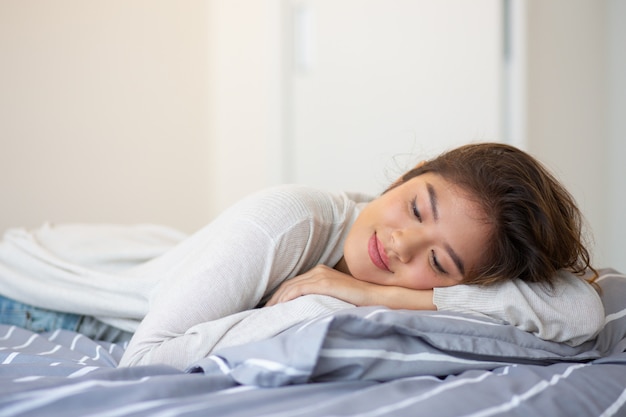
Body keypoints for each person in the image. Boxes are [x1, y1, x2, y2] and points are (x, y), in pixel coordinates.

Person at [0, 143, 604, 370]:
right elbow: (143, 364)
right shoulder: (289, 219)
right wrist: (316, 300)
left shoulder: (374, 282)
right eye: (417, 209)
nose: (399, 245)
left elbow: (579, 312)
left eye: (440, 264)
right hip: (33, 290)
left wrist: (375, 295)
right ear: (409, 175)